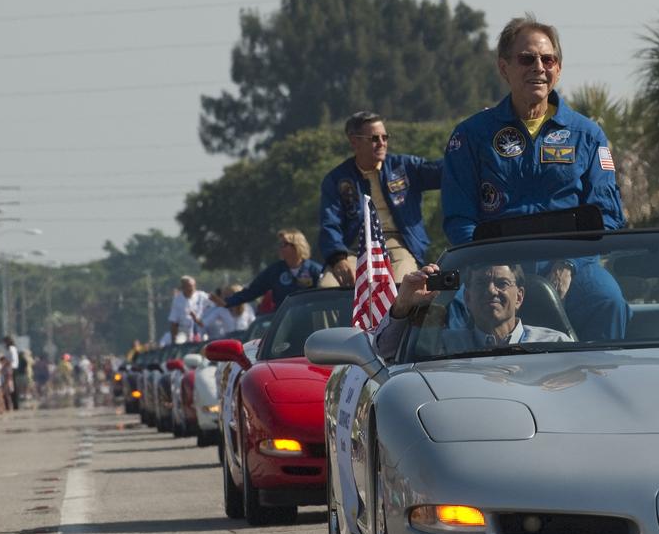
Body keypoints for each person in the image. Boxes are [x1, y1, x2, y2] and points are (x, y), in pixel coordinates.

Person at [441, 15, 629, 340]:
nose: (538, 67)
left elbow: (608, 215)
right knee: (451, 312)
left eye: (548, 59)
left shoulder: (588, 134)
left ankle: (604, 384)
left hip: (573, 263)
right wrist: (492, 268)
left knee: (609, 301)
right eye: (527, 59)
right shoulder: (471, 135)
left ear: (558, 67)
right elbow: (459, 218)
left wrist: (567, 263)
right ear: (504, 68)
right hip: (495, 265)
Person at [319, 112, 442, 287]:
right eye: (374, 138)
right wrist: (338, 258)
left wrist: (465, 143)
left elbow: (441, 171)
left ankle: (396, 316)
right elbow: (329, 223)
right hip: (355, 249)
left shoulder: (404, 167)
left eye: (385, 137)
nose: (382, 143)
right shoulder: (336, 179)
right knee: (327, 289)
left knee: (402, 286)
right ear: (354, 142)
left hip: (398, 244)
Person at [373, 262, 571, 363]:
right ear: (467, 298)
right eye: (482, 283)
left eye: (502, 283)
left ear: (519, 297)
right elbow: (385, 352)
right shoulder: (442, 346)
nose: (492, 291)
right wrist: (403, 304)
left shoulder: (557, 345)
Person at [227, 229, 323, 314]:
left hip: (310, 320)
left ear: (297, 246)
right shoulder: (275, 271)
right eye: (279, 244)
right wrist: (229, 302)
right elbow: (253, 291)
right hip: (285, 322)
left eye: (284, 244)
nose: (280, 248)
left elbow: (326, 295)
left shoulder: (314, 270)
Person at [168, 276, 211, 341]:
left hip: (201, 329)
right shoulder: (177, 300)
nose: (192, 288)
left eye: (193, 286)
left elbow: (215, 304)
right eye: (189, 286)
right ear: (183, 287)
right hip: (184, 331)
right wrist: (173, 339)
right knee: (180, 341)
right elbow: (174, 321)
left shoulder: (201, 295)